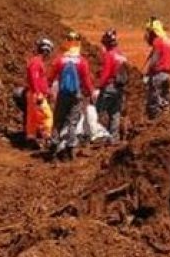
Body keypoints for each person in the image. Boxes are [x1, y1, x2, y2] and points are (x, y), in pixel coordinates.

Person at [47, 30, 95, 160]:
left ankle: (53, 148)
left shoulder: (60, 60)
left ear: (67, 43)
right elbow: (86, 81)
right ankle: (70, 150)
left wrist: (47, 89)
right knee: (72, 122)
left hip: (62, 95)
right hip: (76, 95)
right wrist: (91, 93)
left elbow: (50, 77)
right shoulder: (82, 62)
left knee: (58, 121)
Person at [16, 38, 53, 148]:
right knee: (47, 116)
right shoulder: (37, 62)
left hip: (33, 93)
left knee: (32, 118)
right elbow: (34, 78)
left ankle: (31, 139)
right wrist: (38, 93)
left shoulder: (35, 61)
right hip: (36, 94)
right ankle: (47, 138)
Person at [94, 28, 130, 141]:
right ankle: (114, 138)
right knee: (115, 113)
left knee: (98, 110)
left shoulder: (109, 55)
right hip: (119, 88)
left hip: (109, 87)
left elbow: (105, 73)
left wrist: (98, 86)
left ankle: (98, 135)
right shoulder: (121, 55)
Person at [142, 16, 170, 119]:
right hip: (168, 74)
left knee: (153, 100)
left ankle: (155, 121)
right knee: (165, 98)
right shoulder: (168, 40)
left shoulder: (157, 41)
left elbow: (154, 59)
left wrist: (147, 73)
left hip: (158, 75)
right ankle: (166, 118)